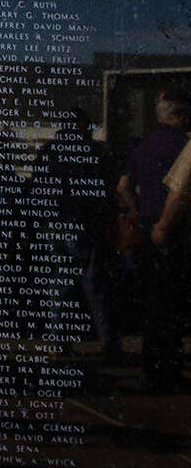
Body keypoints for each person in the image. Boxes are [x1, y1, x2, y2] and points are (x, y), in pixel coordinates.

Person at [116, 86, 189, 388]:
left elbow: (122, 186)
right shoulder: (183, 146)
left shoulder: (144, 145)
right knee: (171, 303)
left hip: (146, 227)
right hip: (175, 228)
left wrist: (136, 213)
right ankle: (168, 367)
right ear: (182, 115)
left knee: (153, 302)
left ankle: (154, 366)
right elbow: (181, 192)